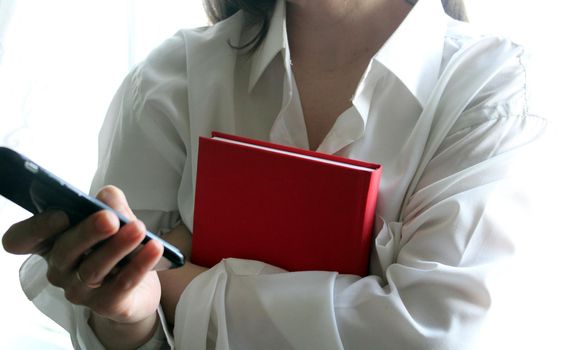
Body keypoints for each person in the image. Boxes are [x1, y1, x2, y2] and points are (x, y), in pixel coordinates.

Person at [2, 0, 547, 349]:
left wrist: (176, 284)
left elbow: (438, 334)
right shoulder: (174, 77)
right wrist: (128, 315)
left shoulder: (493, 86)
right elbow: (126, 323)